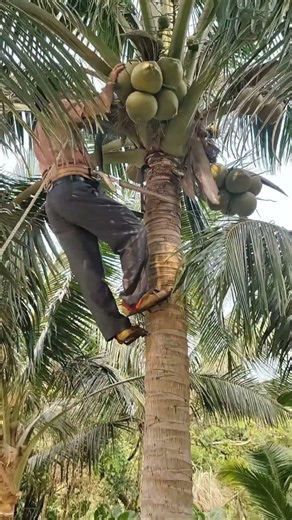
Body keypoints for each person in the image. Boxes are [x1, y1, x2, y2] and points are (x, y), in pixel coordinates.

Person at [33, 64, 168, 345]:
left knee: (87, 270)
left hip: (55, 202)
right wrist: (110, 83)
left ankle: (117, 327)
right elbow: (98, 107)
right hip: (73, 190)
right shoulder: (58, 109)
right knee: (132, 230)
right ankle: (136, 296)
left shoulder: (38, 129)